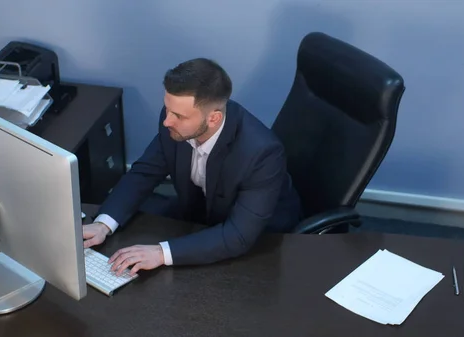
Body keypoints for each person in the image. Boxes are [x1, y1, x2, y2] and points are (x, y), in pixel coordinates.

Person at [82, 58, 301, 275]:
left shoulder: (262, 153)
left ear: (213, 119)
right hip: (201, 211)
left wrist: (161, 253)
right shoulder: (174, 122)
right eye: (167, 109)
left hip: (260, 235)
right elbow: (144, 173)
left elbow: (238, 236)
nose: (167, 121)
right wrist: (103, 225)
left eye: (178, 116)